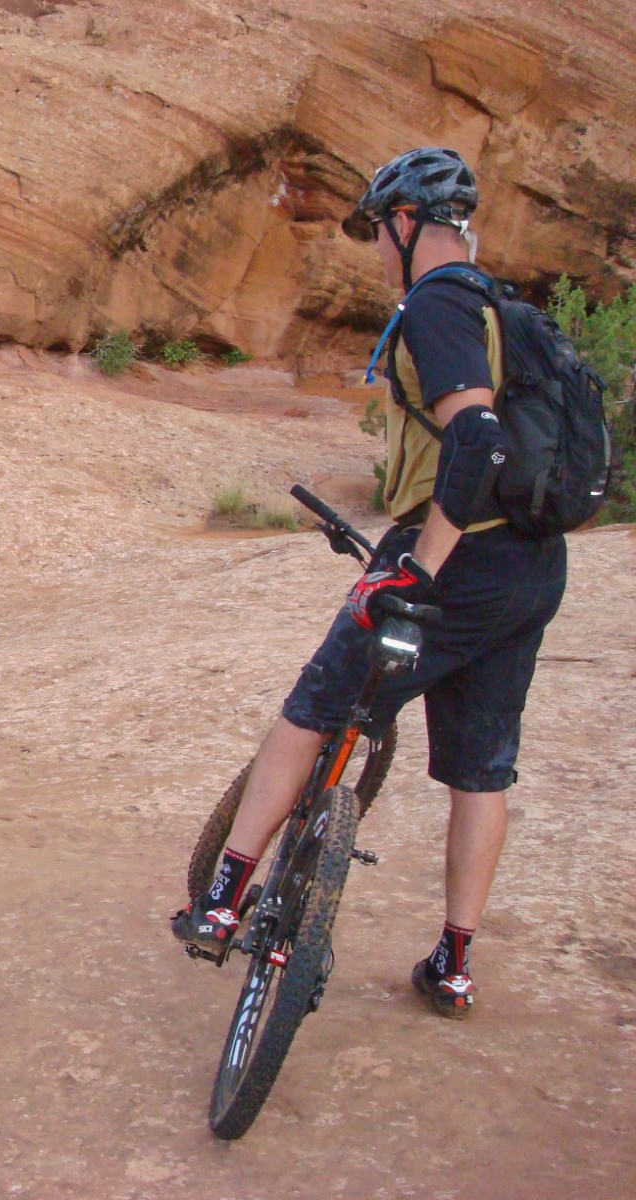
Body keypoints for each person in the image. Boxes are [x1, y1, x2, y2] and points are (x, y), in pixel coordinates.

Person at [171, 148, 568, 1019]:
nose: (379, 249)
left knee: (311, 710)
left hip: (458, 554)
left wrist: (422, 565)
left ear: (408, 223)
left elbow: (478, 443)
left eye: (380, 231)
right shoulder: (507, 309)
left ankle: (222, 902)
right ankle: (453, 965)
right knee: (482, 770)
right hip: (534, 568)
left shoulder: (438, 302)